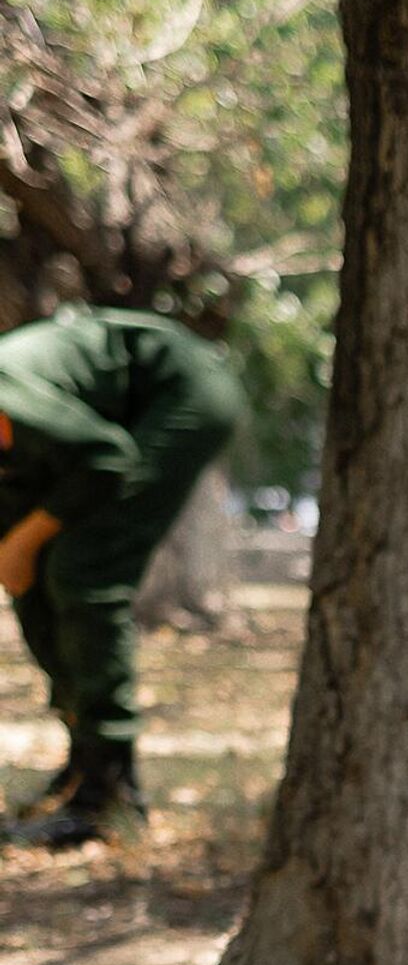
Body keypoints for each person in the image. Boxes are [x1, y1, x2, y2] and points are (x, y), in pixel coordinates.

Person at [0, 304, 240, 849]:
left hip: (184, 390)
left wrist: (21, 541)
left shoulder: (8, 394)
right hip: (112, 423)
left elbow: (106, 457)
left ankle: (110, 793)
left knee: (82, 568)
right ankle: (85, 763)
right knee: (30, 577)